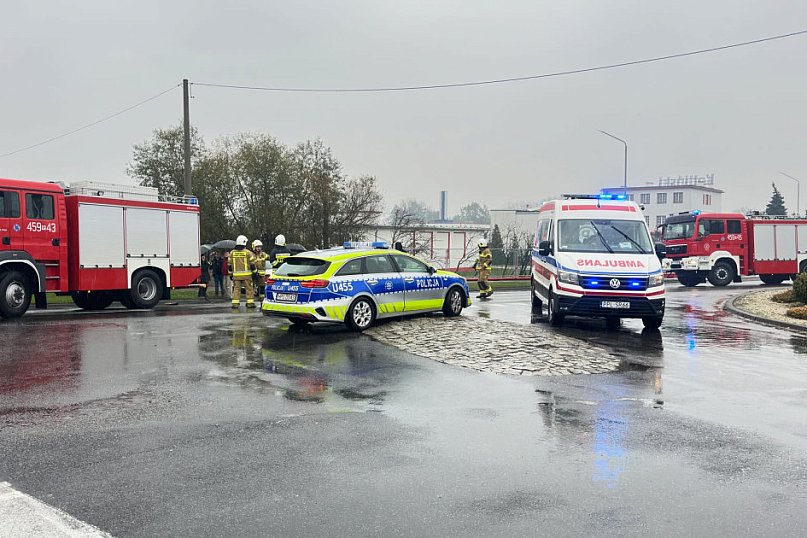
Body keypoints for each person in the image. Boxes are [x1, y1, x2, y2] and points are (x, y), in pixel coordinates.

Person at [229, 235, 256, 309]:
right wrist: (255, 272)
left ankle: (235, 304)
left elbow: (229, 265)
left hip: (236, 276)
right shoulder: (248, 253)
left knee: (236, 289)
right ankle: (250, 303)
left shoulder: (232, 253)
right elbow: (252, 264)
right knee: (249, 289)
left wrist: (230, 274)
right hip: (247, 276)